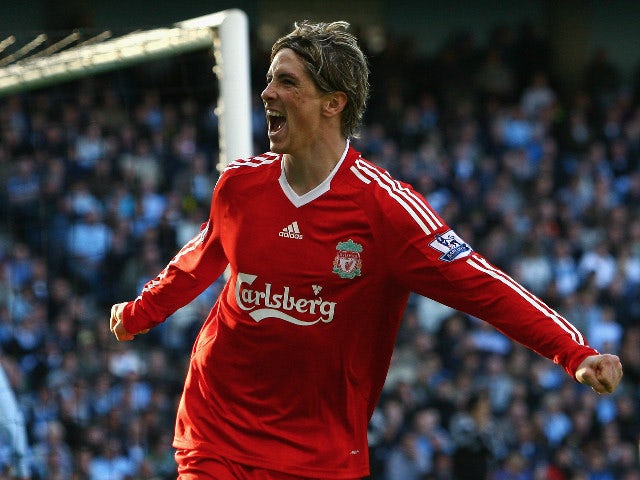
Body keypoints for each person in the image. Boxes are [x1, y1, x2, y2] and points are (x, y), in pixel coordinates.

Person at [109, 20, 623, 480]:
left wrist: (573, 351)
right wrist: (140, 312)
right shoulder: (239, 185)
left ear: (334, 102)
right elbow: (202, 256)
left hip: (319, 452)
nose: (266, 92)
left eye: (286, 81)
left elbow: (480, 284)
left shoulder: (386, 209)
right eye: (269, 78)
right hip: (216, 430)